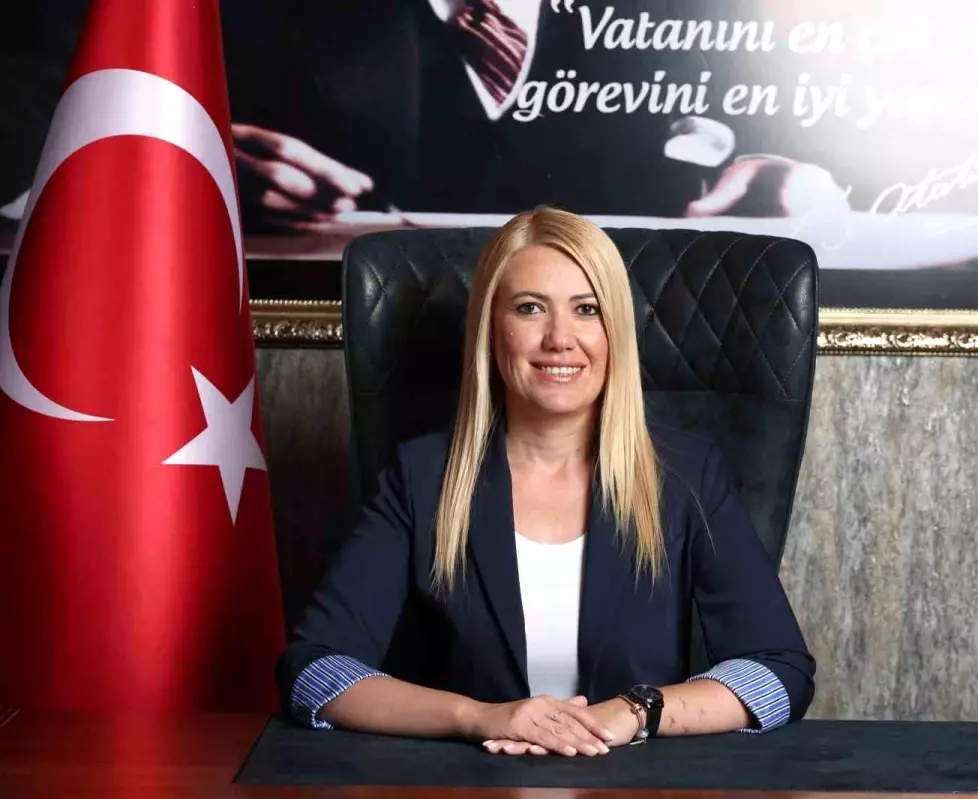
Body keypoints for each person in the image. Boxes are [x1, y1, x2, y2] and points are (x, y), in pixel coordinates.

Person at [277, 207, 815, 755]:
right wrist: (479, 717)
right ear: (492, 330)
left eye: (587, 309)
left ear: (615, 332)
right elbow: (314, 671)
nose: (560, 338)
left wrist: (633, 712)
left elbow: (778, 673)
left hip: (633, 782)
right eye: (530, 308)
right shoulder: (422, 476)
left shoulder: (687, 474)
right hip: (470, 784)